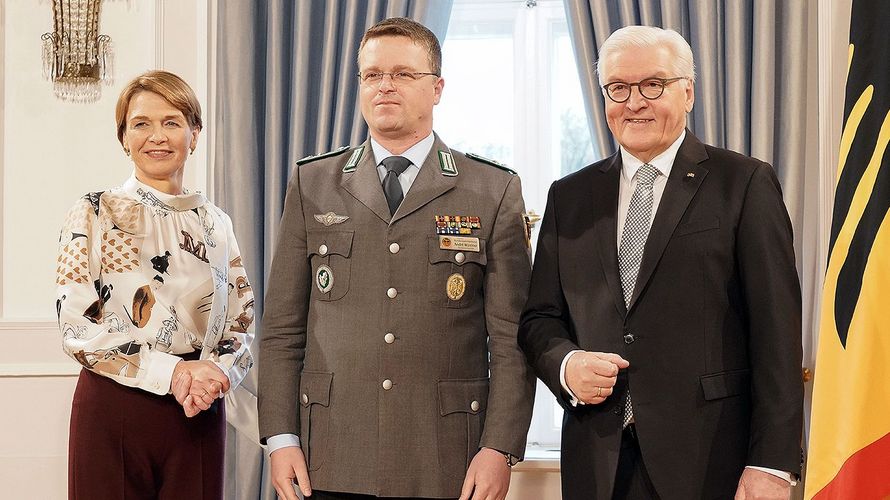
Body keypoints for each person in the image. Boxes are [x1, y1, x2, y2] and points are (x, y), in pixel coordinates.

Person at [518, 26, 803, 500]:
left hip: (711, 460)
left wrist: (771, 464)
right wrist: (567, 364)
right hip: (598, 461)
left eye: (653, 85)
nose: (634, 103)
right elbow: (539, 318)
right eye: (619, 89)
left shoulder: (744, 183)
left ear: (687, 92)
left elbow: (776, 330)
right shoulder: (569, 195)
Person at [258, 17, 535, 500]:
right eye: (372, 75)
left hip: (449, 456)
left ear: (437, 88)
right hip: (331, 452)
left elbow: (510, 340)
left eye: (404, 74)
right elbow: (283, 329)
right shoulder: (313, 183)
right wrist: (280, 438)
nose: (385, 86)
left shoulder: (492, 190)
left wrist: (499, 448)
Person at [56, 70, 255, 500]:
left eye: (172, 122)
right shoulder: (94, 212)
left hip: (197, 409)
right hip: (115, 407)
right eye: (141, 124)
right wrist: (173, 372)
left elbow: (241, 323)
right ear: (124, 138)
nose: (157, 137)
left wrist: (217, 373)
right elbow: (77, 326)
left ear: (194, 133)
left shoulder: (217, 224)